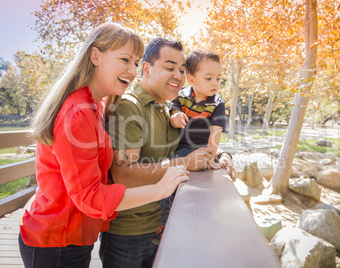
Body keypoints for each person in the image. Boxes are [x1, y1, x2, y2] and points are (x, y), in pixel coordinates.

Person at [18, 23, 189, 268]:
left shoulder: (95, 106)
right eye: (124, 59)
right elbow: (89, 196)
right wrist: (160, 189)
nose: (132, 71)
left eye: (135, 62)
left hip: (77, 235)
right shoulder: (77, 112)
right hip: (55, 238)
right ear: (95, 55)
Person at [100, 38, 219, 268]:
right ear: (146, 68)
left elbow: (195, 144)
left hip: (164, 227)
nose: (178, 75)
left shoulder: (169, 107)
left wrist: (222, 156)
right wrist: (184, 163)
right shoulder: (129, 106)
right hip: (130, 235)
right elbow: (124, 174)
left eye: (182, 70)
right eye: (169, 67)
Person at [152, 49, 229, 245]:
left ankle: (200, 225)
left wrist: (212, 155)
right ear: (192, 79)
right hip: (181, 148)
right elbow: (174, 107)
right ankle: (164, 223)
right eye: (209, 78)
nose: (215, 83)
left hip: (201, 147)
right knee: (171, 176)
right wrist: (175, 114)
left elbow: (216, 133)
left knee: (200, 184)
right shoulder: (182, 96)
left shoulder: (217, 104)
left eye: (218, 79)